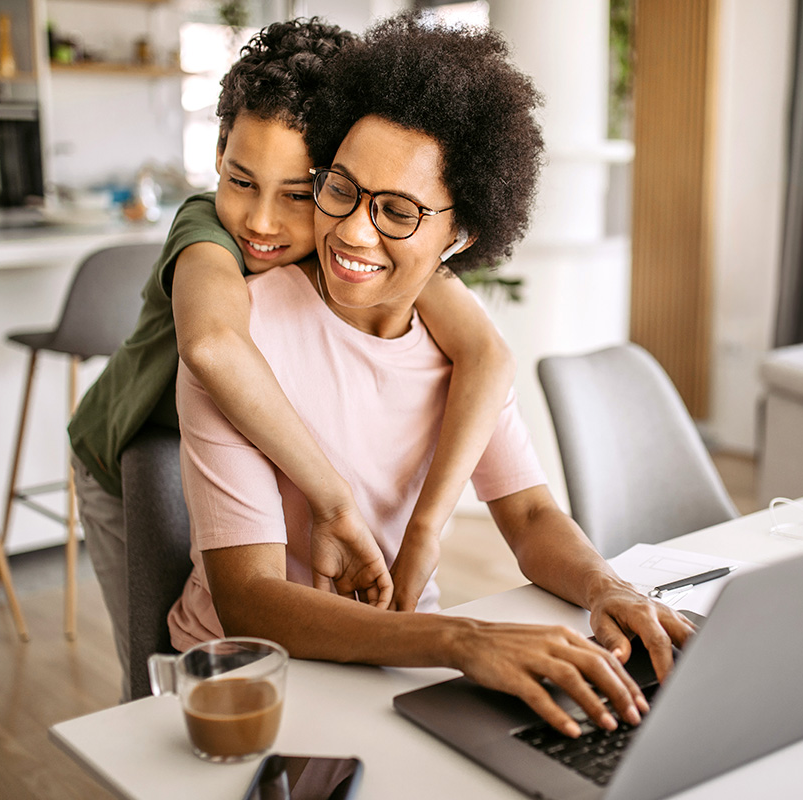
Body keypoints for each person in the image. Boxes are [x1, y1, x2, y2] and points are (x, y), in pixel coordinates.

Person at [169, 12, 694, 737]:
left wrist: (607, 587)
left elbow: (532, 515)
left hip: (396, 663)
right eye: (340, 190)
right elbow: (250, 601)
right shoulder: (242, 337)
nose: (352, 231)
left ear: (461, 235)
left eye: (397, 212)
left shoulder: (462, 355)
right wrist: (458, 640)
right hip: (254, 685)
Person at [68, 19, 516, 698]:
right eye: (240, 181)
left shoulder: (351, 238)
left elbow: (484, 349)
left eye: (300, 194)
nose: (262, 223)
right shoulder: (205, 230)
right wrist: (332, 497)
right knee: (161, 670)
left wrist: (422, 528)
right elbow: (215, 347)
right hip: (130, 451)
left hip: (243, 454)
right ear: (218, 157)